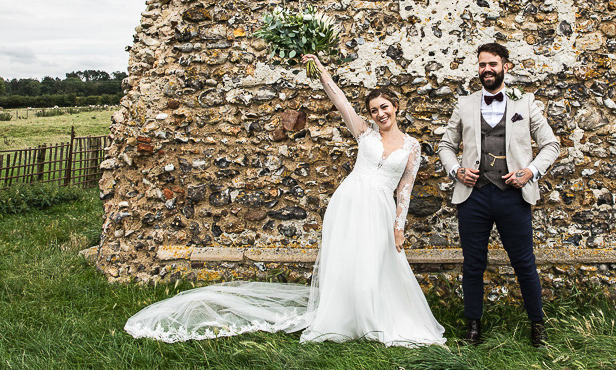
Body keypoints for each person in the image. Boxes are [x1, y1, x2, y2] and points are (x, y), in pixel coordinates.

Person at [125, 54, 445, 347]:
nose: (380, 114)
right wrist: (320, 70)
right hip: (350, 202)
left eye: (384, 108)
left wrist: (399, 226)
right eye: (374, 109)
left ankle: (375, 318)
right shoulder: (364, 132)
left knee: (378, 263)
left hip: (381, 208)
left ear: (396, 107)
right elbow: (339, 98)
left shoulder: (412, 146)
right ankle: (346, 319)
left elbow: (405, 188)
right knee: (350, 261)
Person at [438, 42, 560, 347]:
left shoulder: (525, 102)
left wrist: (530, 172)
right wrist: (456, 171)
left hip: (513, 196)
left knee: (524, 262)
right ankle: (473, 327)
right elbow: (445, 146)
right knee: (473, 264)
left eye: (492, 64)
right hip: (473, 196)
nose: (486, 70)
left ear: (505, 66)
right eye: (482, 65)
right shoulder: (465, 104)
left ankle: (537, 325)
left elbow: (551, 145)